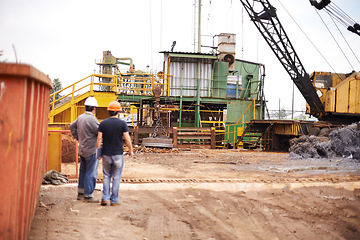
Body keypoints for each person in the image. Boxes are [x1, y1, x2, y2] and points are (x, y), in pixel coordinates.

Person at [96, 101, 134, 206]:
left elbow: (99, 138)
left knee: (106, 175)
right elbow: (127, 138)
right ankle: (114, 200)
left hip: (106, 154)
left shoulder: (103, 123)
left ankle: (105, 198)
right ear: (119, 112)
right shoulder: (122, 124)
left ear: (109, 111)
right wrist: (130, 150)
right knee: (116, 177)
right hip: (118, 155)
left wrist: (98, 152)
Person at [70, 96, 99, 202]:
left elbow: (71, 126)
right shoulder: (92, 119)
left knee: (83, 171)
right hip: (91, 150)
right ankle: (88, 195)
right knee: (91, 172)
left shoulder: (80, 117)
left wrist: (78, 137)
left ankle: (80, 193)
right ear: (94, 108)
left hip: (82, 149)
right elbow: (99, 132)